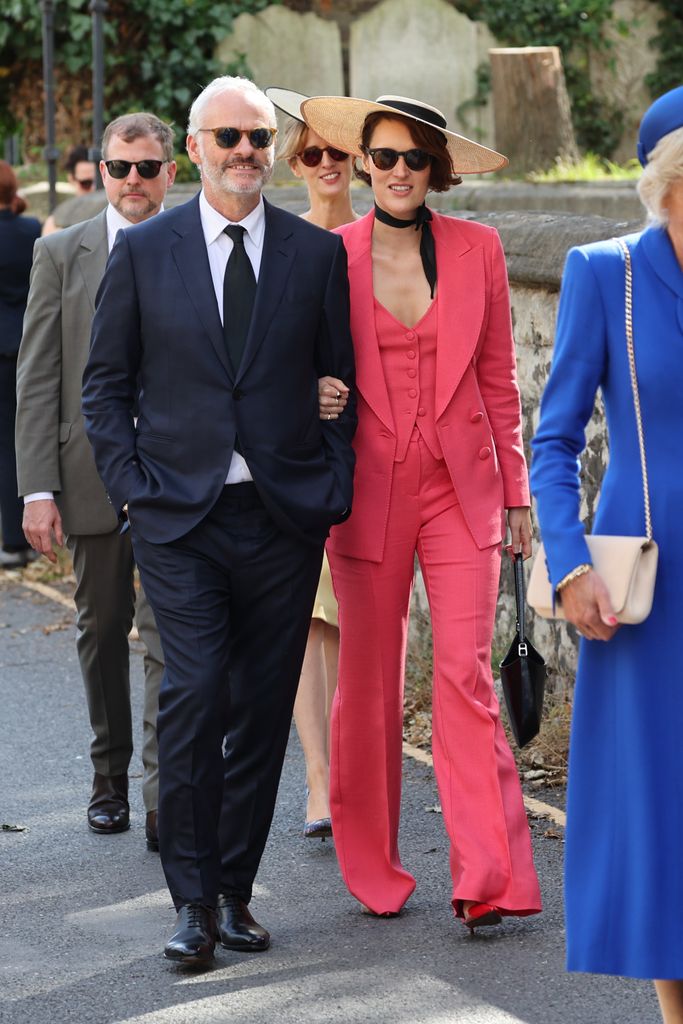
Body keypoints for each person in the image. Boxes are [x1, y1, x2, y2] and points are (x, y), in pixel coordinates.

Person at [82, 76, 356, 967]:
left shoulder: (314, 259)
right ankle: (191, 904)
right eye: (227, 137)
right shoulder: (146, 251)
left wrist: (331, 481)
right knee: (195, 695)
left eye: (257, 137)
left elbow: (339, 388)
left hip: (280, 519)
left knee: (262, 712)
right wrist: (131, 488)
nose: (245, 151)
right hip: (179, 518)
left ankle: (236, 893)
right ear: (192, 149)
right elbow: (104, 386)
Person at [303, 94, 541, 928]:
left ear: (434, 167)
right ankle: (372, 867)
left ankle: (487, 875)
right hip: (365, 493)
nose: (397, 171)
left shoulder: (479, 249)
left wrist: (516, 492)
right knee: (366, 685)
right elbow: (297, 368)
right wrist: (318, 394)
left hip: (459, 487)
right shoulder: (329, 256)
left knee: (464, 676)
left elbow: (498, 380)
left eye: (413, 157)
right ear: (363, 163)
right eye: (383, 156)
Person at [530, 84, 683, 1020]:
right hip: (648, 588)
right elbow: (551, 440)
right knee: (660, 802)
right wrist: (571, 560)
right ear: (668, 182)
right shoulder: (605, 272)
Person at [16, 113, 176, 850]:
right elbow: (38, 376)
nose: (132, 182)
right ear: (102, 173)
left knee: (169, 639)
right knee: (102, 628)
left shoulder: (193, 245)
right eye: (119, 168)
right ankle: (108, 773)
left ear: (171, 172)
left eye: (146, 168)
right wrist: (36, 487)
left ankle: (158, 792)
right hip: (87, 476)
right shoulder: (59, 252)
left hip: (178, 477)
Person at [267, 86, 357, 837]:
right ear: (294, 164)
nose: (327, 164)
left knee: (357, 619)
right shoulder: (279, 245)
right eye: (313, 154)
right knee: (308, 618)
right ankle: (319, 776)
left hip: (376, 448)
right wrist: (306, 389)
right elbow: (254, 357)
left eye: (339, 153)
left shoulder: (376, 240)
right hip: (299, 452)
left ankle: (355, 766)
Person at [0, 162, 40, 570]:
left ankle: (12, 541)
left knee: (4, 448)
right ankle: (24, 539)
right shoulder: (31, 229)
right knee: (21, 440)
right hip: (26, 345)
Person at [42, 144, 96, 236]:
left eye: (99, 182)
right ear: (71, 179)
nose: (94, 188)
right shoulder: (56, 223)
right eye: (86, 183)